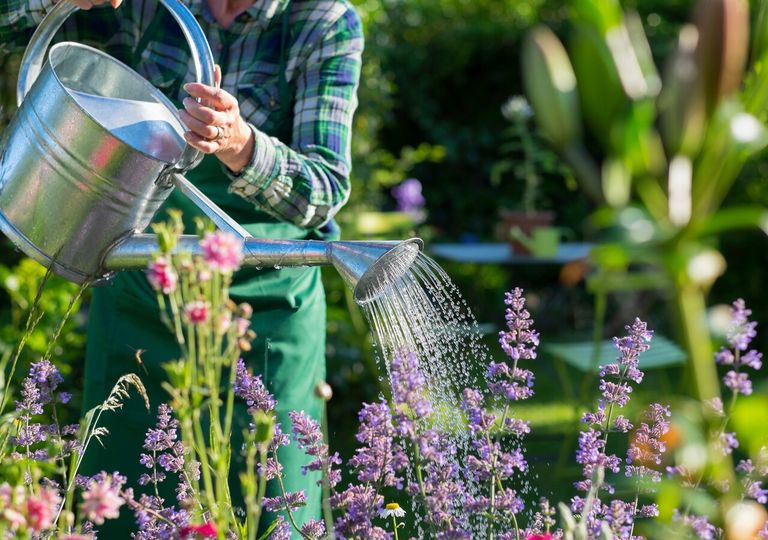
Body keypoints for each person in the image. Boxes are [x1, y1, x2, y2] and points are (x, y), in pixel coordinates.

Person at [0, 0, 363, 535]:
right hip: (143, 286)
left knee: (270, 509)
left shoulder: (322, 20)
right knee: (125, 506)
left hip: (265, 308)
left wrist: (240, 143)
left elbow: (324, 190)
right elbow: (16, 27)